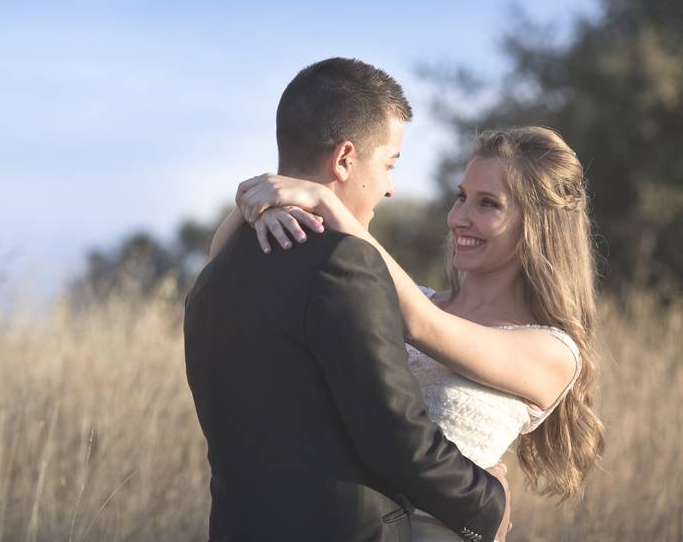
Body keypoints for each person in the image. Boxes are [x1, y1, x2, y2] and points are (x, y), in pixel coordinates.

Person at [222, 125, 606, 540]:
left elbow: (422, 325)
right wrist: (255, 209)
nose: (459, 218)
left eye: (488, 204)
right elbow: (222, 272)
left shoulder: (552, 351)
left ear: (537, 225)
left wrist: (327, 202)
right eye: (461, 197)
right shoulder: (415, 298)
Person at [184, 57, 510, 542]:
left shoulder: (214, 273)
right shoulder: (343, 264)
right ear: (344, 159)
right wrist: (487, 504)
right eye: (389, 163)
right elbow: (397, 437)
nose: (390, 187)